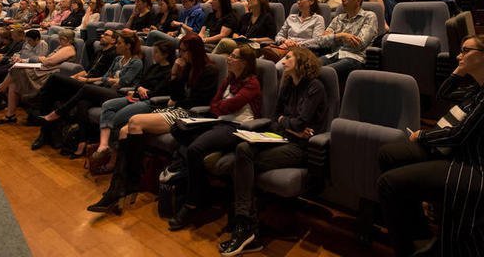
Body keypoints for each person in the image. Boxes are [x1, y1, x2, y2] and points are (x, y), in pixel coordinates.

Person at [377, 33, 484, 257]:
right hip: (470, 156)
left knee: (388, 184)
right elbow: (445, 94)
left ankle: (408, 249)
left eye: (465, 51)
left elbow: (459, 135)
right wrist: (458, 71)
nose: (459, 55)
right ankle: (421, 233)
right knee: (388, 155)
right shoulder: (483, 86)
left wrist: (422, 136)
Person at [87, 34, 218, 214]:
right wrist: (175, 74)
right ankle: (118, 189)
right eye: (180, 50)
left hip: (192, 115)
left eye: (184, 51)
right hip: (177, 110)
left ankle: (127, 186)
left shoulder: (209, 70)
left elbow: (196, 100)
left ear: (195, 50)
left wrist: (178, 82)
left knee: (134, 122)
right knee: (125, 130)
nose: (181, 55)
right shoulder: (185, 67)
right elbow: (177, 96)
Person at [219, 47, 328, 256]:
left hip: (301, 148)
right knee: (242, 148)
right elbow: (276, 117)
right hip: (282, 138)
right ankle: (247, 225)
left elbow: (301, 122)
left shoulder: (315, 87)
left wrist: (287, 124)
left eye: (288, 57)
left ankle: (244, 226)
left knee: (242, 162)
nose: (283, 60)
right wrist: (288, 125)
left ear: (302, 61)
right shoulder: (287, 84)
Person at [168, 45, 262, 230]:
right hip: (218, 122)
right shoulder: (228, 80)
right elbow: (214, 104)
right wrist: (220, 107)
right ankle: (203, 189)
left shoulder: (252, 83)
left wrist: (220, 106)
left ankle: (192, 202)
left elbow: (232, 106)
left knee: (194, 149)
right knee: (177, 128)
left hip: (236, 127)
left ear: (244, 63)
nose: (228, 59)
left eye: (233, 57)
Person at [38, 30, 144, 158]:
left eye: (120, 43)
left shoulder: (136, 62)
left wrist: (110, 80)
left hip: (119, 95)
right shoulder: (118, 59)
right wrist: (110, 80)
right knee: (82, 103)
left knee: (76, 85)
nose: (117, 45)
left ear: (128, 45)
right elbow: (106, 77)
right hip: (104, 89)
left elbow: (123, 82)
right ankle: (81, 142)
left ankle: (56, 112)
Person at [88, 40, 175, 167]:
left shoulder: (169, 71)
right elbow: (140, 82)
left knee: (117, 117)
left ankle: (113, 156)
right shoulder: (154, 66)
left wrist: (143, 91)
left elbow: (160, 91)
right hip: (137, 96)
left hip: (151, 102)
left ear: (165, 54)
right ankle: (104, 145)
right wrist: (138, 88)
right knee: (108, 105)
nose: (153, 55)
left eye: (156, 52)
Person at [30, 29, 119, 150]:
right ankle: (47, 134)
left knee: (55, 77)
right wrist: (74, 77)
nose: (102, 36)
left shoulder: (114, 55)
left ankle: (37, 104)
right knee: (56, 94)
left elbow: (106, 78)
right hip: (85, 81)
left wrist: (86, 80)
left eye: (106, 35)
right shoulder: (99, 52)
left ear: (114, 40)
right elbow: (86, 70)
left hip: (94, 86)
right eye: (103, 34)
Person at [0, 29, 76, 125]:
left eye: (61, 39)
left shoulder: (68, 49)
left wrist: (42, 58)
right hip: (44, 69)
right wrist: (43, 59)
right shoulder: (61, 47)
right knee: (14, 81)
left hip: (50, 74)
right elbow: (47, 60)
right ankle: (10, 115)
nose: (59, 41)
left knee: (16, 69)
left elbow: (49, 61)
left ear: (66, 39)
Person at [305, 0, 378, 90]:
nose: (342, 0)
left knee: (323, 73)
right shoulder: (338, 18)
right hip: (333, 55)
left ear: (358, 0)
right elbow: (321, 41)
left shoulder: (369, 16)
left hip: (354, 58)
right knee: (306, 68)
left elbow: (359, 44)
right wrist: (342, 36)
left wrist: (332, 38)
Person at [261, 0, 326, 64]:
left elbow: (317, 41)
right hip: (284, 48)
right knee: (261, 63)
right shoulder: (291, 18)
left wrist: (296, 44)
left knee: (277, 67)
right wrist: (285, 41)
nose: (298, 2)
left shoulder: (318, 19)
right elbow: (278, 36)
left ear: (311, 1)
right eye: (297, 0)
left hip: (303, 52)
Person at [213, 0, 277, 55]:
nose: (248, 0)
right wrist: (237, 37)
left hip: (256, 47)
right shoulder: (246, 17)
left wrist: (254, 40)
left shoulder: (267, 17)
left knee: (224, 42)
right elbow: (235, 32)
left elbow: (271, 38)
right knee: (224, 56)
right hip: (241, 44)